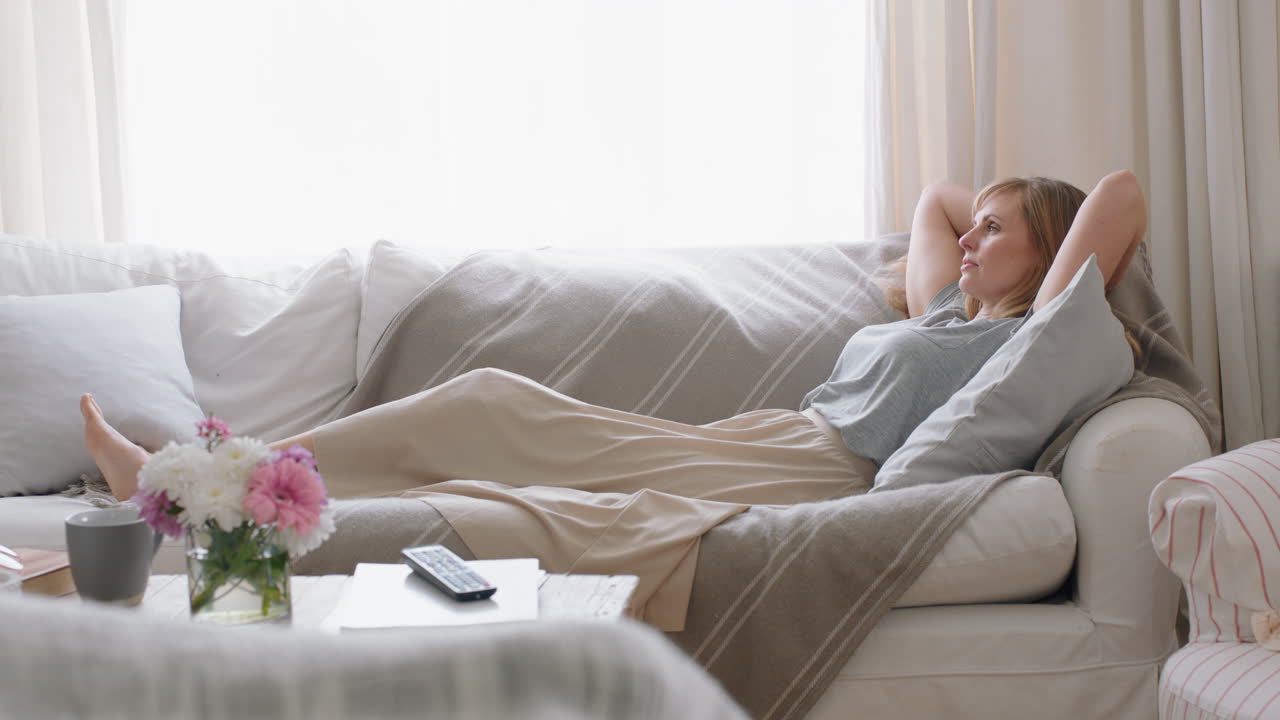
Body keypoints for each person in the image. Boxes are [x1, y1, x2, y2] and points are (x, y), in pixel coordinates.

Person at [79, 170, 1147, 631]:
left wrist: (1038, 244)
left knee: (488, 465)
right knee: (482, 404)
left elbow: (1121, 198)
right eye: (976, 228)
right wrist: (985, 234)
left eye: (998, 230)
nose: (968, 238)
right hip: (756, 440)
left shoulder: (1027, 335)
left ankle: (200, 488)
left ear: (1051, 260)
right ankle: (211, 481)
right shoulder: (944, 318)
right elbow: (934, 203)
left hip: (814, 472)